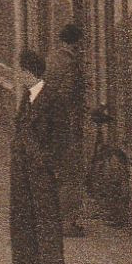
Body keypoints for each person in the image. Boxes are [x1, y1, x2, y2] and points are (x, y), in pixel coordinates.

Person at [8, 49, 65, 264]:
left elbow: (62, 137)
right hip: (22, 168)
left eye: (20, 71)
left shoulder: (52, 98)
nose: (17, 75)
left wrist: (47, 162)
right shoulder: (28, 96)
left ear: (28, 72)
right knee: (21, 216)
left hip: (40, 169)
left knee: (46, 218)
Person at [45, 24, 88, 236]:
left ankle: (52, 219)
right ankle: (67, 223)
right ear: (77, 42)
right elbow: (68, 95)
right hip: (67, 124)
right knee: (72, 173)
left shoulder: (51, 60)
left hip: (50, 125)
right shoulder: (71, 64)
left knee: (57, 171)